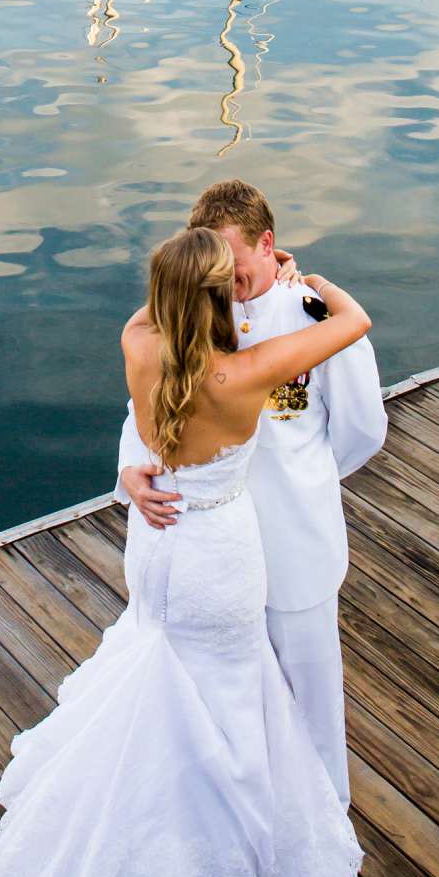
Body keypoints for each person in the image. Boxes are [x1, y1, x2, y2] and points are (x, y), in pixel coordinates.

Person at [0, 227, 366, 877]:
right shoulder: (248, 372)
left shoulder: (137, 343)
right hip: (221, 552)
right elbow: (351, 322)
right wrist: (309, 274)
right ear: (219, 295)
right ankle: (229, 859)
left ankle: (135, 832)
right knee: (227, 700)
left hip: (157, 546)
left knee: (158, 672)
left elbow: (162, 306)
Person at [118, 179, 385, 805]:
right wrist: (132, 469)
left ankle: (320, 818)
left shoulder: (309, 321)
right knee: (209, 701)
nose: (226, 290)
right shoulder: (191, 318)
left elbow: (360, 431)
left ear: (270, 246)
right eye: (217, 277)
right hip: (208, 555)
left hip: (293, 544)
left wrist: (305, 487)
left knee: (308, 695)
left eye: (235, 273)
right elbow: (145, 411)